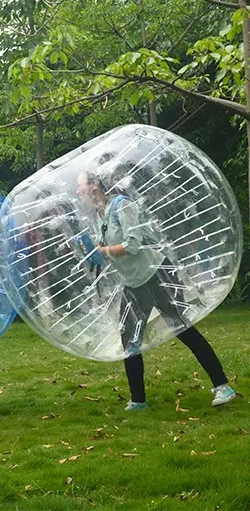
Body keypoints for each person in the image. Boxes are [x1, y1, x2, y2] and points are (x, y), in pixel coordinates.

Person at [76, 169, 236, 411]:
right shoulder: (100, 217)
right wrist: (93, 252)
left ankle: (223, 387)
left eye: (81, 186)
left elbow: (133, 245)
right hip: (134, 283)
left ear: (95, 184)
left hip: (157, 274)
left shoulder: (122, 205)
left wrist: (103, 251)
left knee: (182, 329)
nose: (78, 192)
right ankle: (138, 400)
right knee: (129, 340)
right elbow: (110, 253)